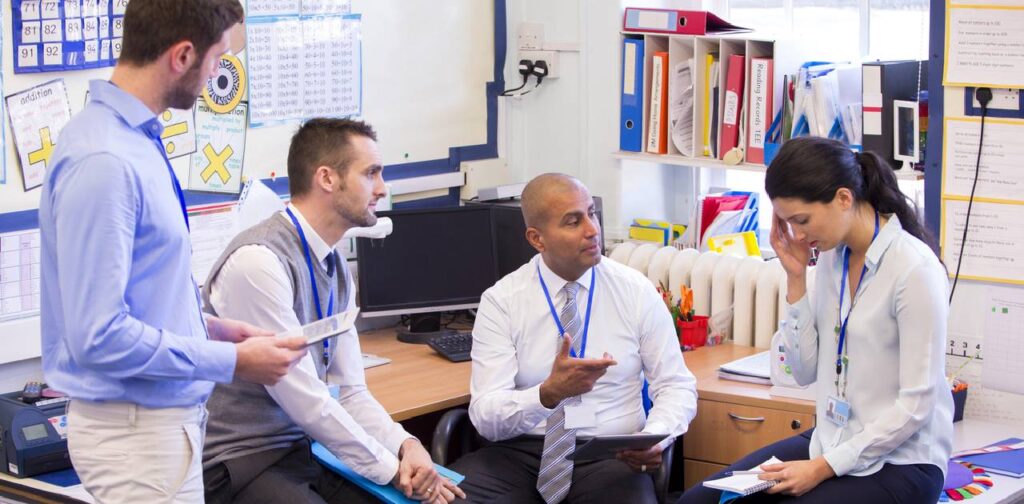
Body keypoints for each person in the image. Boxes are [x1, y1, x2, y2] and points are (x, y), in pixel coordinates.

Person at [38, 1, 308, 501]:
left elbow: (142, 295)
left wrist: (212, 328)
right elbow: (98, 336)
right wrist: (229, 360)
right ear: (183, 55)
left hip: (160, 429)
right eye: (216, 57)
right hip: (136, 438)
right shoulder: (106, 160)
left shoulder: (136, 141)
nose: (218, 73)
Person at [200, 118, 465, 504]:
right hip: (242, 460)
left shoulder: (335, 266)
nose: (382, 189)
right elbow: (306, 400)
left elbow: (350, 392)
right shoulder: (257, 263)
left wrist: (407, 446)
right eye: (371, 173)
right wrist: (392, 469)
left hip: (305, 448)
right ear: (327, 178)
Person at [679, 137, 953, 503]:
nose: (799, 235)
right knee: (700, 501)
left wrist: (824, 466)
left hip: (901, 462)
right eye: (789, 222)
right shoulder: (830, 259)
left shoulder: (914, 270)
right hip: (832, 439)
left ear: (843, 198)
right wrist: (795, 280)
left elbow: (916, 406)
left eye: (802, 220)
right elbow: (802, 372)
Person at [451, 173, 698, 503]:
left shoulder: (635, 290)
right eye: (573, 221)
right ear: (537, 239)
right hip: (520, 452)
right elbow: (486, 416)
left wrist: (655, 437)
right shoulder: (503, 301)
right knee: (448, 499)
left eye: (591, 213)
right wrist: (546, 394)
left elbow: (676, 385)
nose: (592, 230)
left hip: (611, 454)